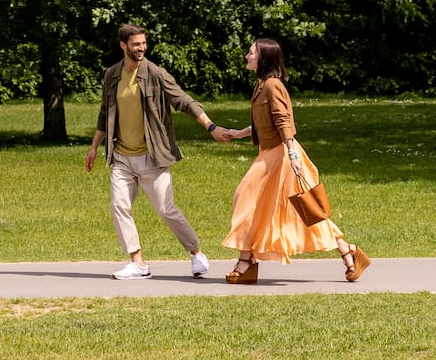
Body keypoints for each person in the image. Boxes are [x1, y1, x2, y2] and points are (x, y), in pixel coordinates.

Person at [85, 22, 233, 279]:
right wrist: (94, 148)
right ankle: (138, 262)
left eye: (143, 43)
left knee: (166, 209)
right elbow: (104, 113)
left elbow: (184, 101)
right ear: (123, 46)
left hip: (152, 156)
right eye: (136, 44)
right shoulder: (112, 75)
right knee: (119, 206)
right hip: (121, 156)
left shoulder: (155, 73)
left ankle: (196, 253)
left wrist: (211, 127)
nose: (141, 48)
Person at [220, 36, 370, 284]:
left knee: (296, 209)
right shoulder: (261, 85)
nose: (247, 56)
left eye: (251, 52)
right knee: (259, 205)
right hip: (269, 154)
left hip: (283, 155)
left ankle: (247, 261)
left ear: (263, 58)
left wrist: (292, 152)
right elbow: (264, 121)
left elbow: (283, 120)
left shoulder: (273, 86)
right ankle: (347, 252)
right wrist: (239, 133)